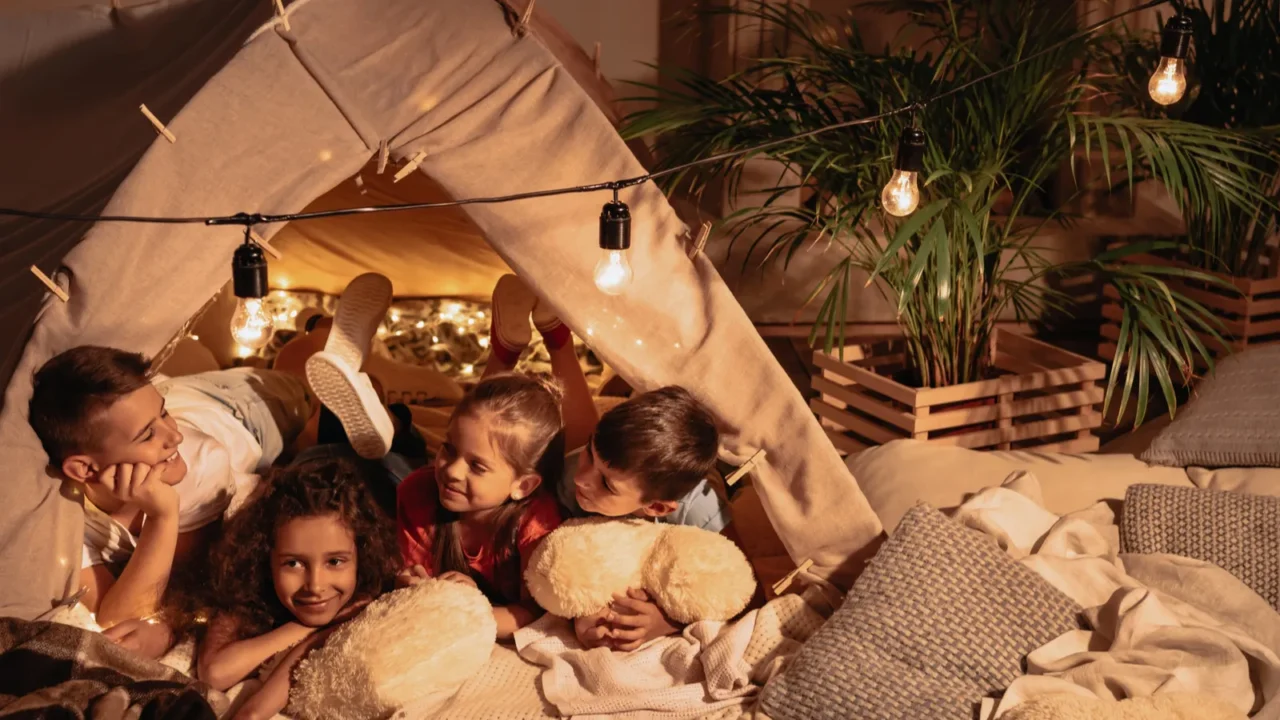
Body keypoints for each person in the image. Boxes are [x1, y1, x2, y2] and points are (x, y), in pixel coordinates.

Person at [484, 274, 733, 651]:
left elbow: (737, 588)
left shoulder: (699, 513)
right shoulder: (575, 478)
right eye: (592, 459)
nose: (585, 481)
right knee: (514, 451)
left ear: (656, 508)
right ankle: (549, 340)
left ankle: (543, 339)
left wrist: (666, 621)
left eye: (606, 485)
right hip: (612, 455)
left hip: (682, 478)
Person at [27, 344, 311, 658]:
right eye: (147, 436)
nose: (173, 436)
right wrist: (164, 516)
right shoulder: (59, 513)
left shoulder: (202, 462)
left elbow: (190, 580)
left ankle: (337, 343)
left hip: (236, 410)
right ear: (85, 468)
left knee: (304, 387)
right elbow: (118, 618)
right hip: (175, 401)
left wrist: (163, 513)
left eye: (163, 415)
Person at [194, 458, 398, 720]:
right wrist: (311, 627)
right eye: (294, 563)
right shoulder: (249, 593)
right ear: (265, 558)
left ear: (362, 557)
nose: (315, 585)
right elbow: (216, 672)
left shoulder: (372, 597)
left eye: (335, 562)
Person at [395, 373, 565, 640]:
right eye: (449, 449)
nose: (452, 471)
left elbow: (539, 614)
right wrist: (412, 586)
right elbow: (409, 579)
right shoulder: (418, 494)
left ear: (523, 485)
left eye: (477, 466)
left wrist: (473, 610)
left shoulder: (537, 525)